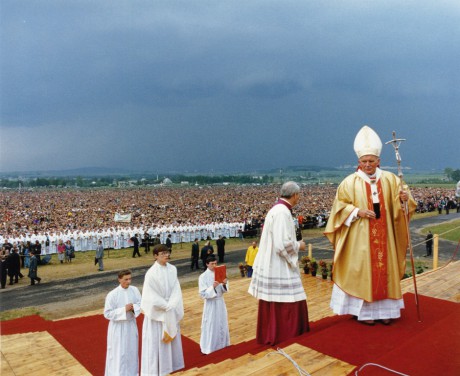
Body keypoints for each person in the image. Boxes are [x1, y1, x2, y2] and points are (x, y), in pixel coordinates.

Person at [324, 125, 416, 326]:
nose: (368, 165)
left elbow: (405, 205)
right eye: (364, 161)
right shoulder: (349, 183)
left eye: (371, 161)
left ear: (378, 161)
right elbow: (338, 208)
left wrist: (404, 199)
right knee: (362, 273)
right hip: (361, 239)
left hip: (386, 238)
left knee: (385, 271)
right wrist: (357, 211)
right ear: (359, 162)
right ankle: (364, 314)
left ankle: (385, 313)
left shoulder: (391, 179)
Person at [248, 181, 309, 345]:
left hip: (273, 262)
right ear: (295, 195)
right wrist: (299, 246)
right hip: (278, 264)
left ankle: (274, 334)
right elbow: (282, 245)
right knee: (286, 300)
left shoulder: (278, 209)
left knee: (275, 300)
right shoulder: (282, 212)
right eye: (299, 195)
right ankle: (285, 335)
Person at [140, 244, 184, 375]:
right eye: (163, 253)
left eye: (167, 252)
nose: (166, 255)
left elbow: (176, 288)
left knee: (172, 339)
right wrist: (165, 305)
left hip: (170, 308)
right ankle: (158, 369)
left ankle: (172, 366)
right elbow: (150, 295)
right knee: (157, 342)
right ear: (155, 256)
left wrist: (172, 304)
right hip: (158, 313)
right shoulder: (151, 273)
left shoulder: (173, 269)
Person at [104, 269, 141, 376]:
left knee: (131, 352)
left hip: (130, 325)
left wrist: (134, 307)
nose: (128, 282)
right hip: (118, 328)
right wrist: (123, 310)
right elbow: (107, 313)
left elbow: (140, 303)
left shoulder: (135, 290)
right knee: (118, 353)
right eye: (126, 279)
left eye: (130, 279)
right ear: (119, 279)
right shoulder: (112, 294)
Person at [199, 254, 230, 354]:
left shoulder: (220, 272)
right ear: (207, 264)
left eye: (216, 263)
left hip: (220, 302)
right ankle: (210, 347)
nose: (214, 265)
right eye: (212, 264)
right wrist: (212, 286)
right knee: (211, 325)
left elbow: (224, 290)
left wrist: (224, 284)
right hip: (211, 304)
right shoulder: (203, 277)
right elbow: (203, 294)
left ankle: (223, 344)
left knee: (222, 323)